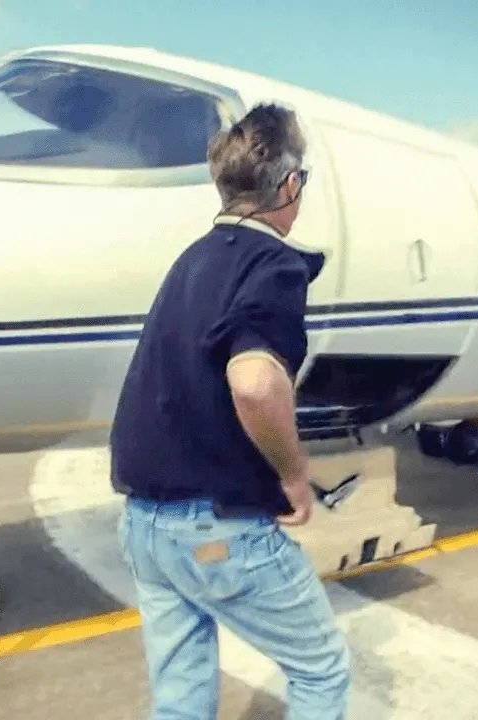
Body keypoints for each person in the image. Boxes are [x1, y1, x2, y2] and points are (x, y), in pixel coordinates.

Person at [109, 102, 352, 719]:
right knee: (321, 669)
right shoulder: (273, 263)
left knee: (181, 694)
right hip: (215, 526)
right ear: (290, 185)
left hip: (144, 526)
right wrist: (292, 474)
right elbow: (254, 385)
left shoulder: (192, 260)